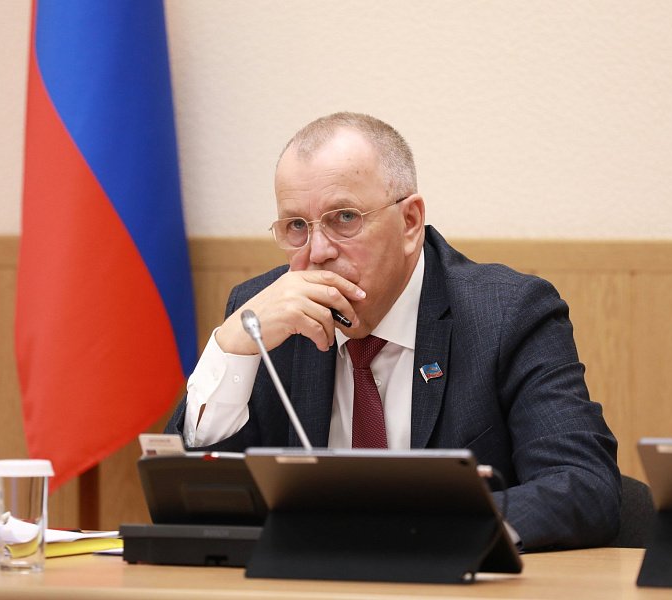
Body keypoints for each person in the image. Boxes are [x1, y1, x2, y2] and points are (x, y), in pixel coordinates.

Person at [166, 112, 621, 550]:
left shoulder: (507, 314)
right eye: (297, 226)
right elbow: (191, 504)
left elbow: (584, 485)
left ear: (409, 222)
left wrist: (434, 527)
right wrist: (230, 350)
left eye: (344, 217)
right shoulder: (264, 319)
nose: (317, 252)